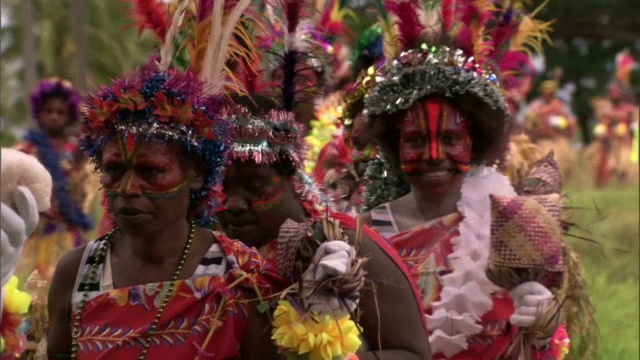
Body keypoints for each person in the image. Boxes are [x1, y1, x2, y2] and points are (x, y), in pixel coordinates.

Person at [358, 1, 570, 358]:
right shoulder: (368, 233)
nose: (434, 155)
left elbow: (549, 341)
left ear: (479, 141)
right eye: (415, 140)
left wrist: (544, 319)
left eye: (452, 139)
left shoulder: (516, 224)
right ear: (394, 146)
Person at [218, 97, 431, 360]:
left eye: (255, 186)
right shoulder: (214, 249)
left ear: (291, 177)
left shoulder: (345, 243)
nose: (235, 204)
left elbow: (415, 355)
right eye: (223, 188)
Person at [14, 78, 99, 281]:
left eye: (60, 112)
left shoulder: (80, 150)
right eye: (48, 111)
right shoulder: (25, 150)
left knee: (75, 287)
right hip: (37, 236)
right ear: (39, 113)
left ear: (69, 115)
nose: (54, 116)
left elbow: (90, 189)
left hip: (72, 233)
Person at [524, 80, 578, 181]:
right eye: (545, 92)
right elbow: (527, 121)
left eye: (550, 93)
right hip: (541, 141)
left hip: (557, 141)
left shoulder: (561, 106)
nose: (547, 95)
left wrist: (563, 123)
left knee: (558, 161)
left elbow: (571, 122)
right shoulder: (535, 106)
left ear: (554, 93)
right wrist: (533, 122)